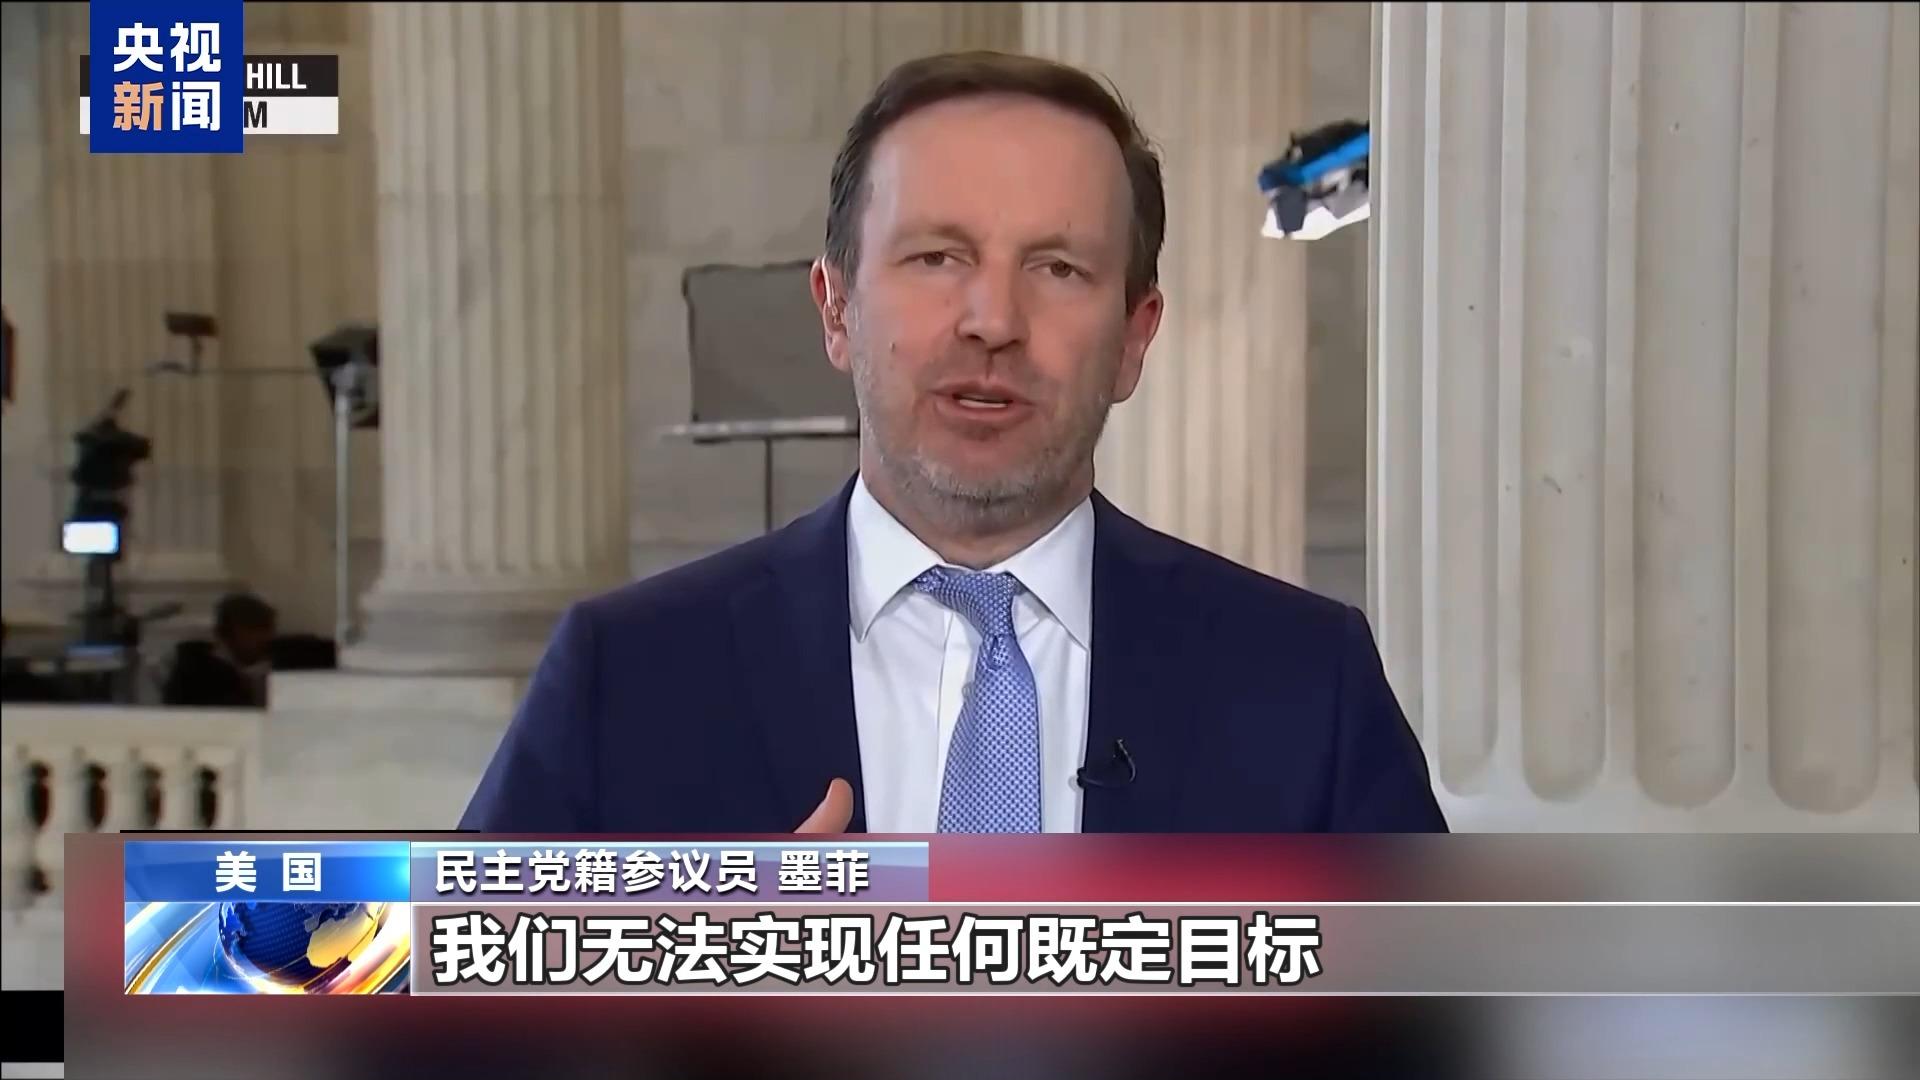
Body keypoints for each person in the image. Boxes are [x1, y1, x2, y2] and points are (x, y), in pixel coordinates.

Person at [462, 51, 1446, 835]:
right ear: (836, 307)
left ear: (1133, 338)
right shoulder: (628, 674)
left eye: (1058, 268)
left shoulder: (1306, 684)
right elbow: (389, 979)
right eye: (938, 257)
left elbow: (1456, 1010)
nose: (993, 321)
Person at [162, 592, 276, 708]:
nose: (265, 638)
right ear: (229, 632)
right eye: (254, 630)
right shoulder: (198, 673)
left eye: (268, 630)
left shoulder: (262, 666)